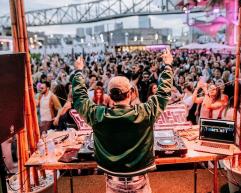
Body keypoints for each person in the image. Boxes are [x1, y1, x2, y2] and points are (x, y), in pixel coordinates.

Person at [72, 49, 173, 193]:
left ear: (109, 95)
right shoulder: (145, 112)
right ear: (131, 93)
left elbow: (80, 98)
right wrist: (167, 66)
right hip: (140, 180)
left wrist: (78, 71)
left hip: (113, 180)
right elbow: (163, 93)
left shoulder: (98, 115)